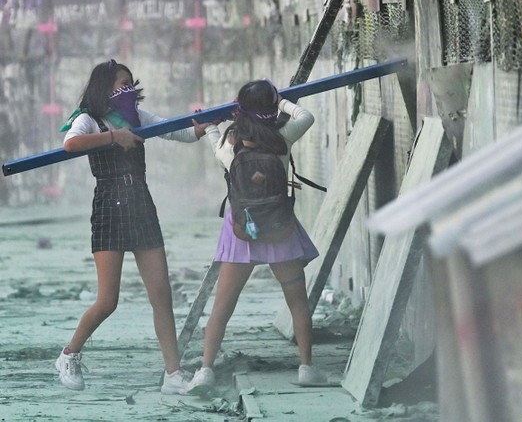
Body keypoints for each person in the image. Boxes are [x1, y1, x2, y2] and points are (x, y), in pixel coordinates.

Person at [56, 59, 211, 393]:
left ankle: (173, 374)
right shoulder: (88, 119)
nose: (126, 90)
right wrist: (113, 136)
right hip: (109, 206)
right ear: (103, 88)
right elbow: (70, 144)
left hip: (140, 202)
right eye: (119, 84)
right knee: (107, 300)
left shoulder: (138, 116)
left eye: (129, 83)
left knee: (161, 295)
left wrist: (200, 127)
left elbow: (179, 131)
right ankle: (69, 354)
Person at [185, 79, 324, 394]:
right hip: (279, 228)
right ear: (271, 109)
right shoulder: (281, 140)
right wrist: (284, 102)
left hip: (241, 231)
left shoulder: (228, 147)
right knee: (297, 302)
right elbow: (306, 117)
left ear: (239, 109)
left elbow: (212, 134)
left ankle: (205, 370)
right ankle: (306, 367)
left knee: (222, 306)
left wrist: (209, 126)